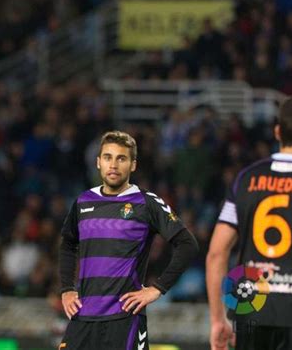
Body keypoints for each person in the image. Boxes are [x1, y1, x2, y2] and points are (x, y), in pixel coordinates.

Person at [59, 130, 199, 350]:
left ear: (133, 165)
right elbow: (67, 244)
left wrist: (157, 288)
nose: (113, 165)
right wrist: (66, 289)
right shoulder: (82, 201)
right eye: (108, 157)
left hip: (124, 319)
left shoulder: (146, 202)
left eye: (121, 158)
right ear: (98, 162)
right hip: (82, 317)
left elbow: (188, 244)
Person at [206, 98, 292, 350]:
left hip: (251, 304)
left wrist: (217, 320)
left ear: (277, 131)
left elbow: (216, 253)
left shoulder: (246, 177)